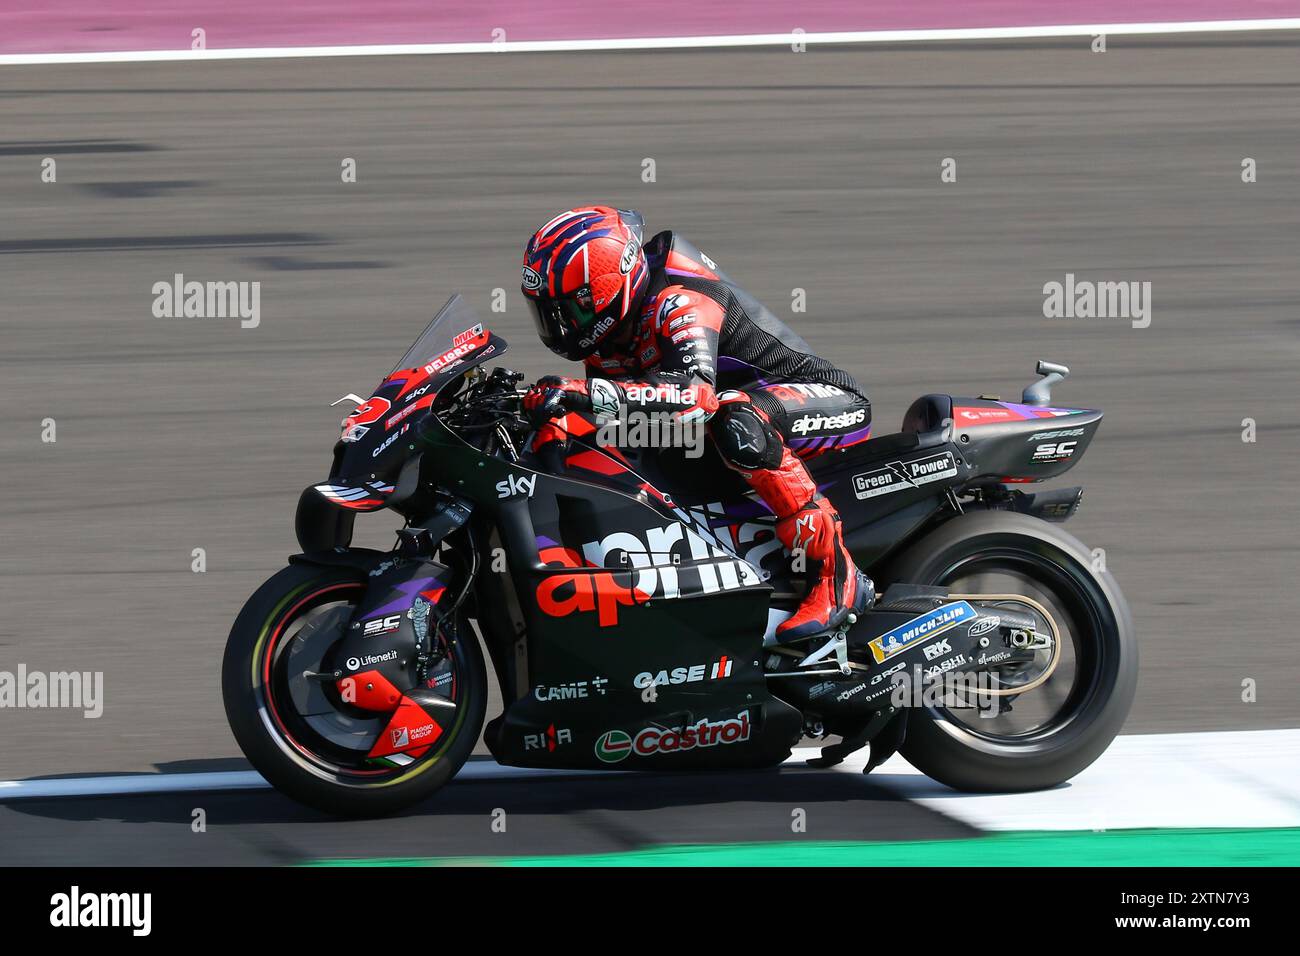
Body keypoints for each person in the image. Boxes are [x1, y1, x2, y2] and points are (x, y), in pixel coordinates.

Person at [520, 205, 874, 641]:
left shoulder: (678, 299)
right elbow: (625, 418)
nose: (560, 326)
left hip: (826, 401)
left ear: (611, 287)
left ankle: (837, 577)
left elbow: (692, 399)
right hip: (728, 420)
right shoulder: (612, 331)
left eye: (570, 310)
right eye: (548, 313)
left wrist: (584, 392)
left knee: (736, 420)